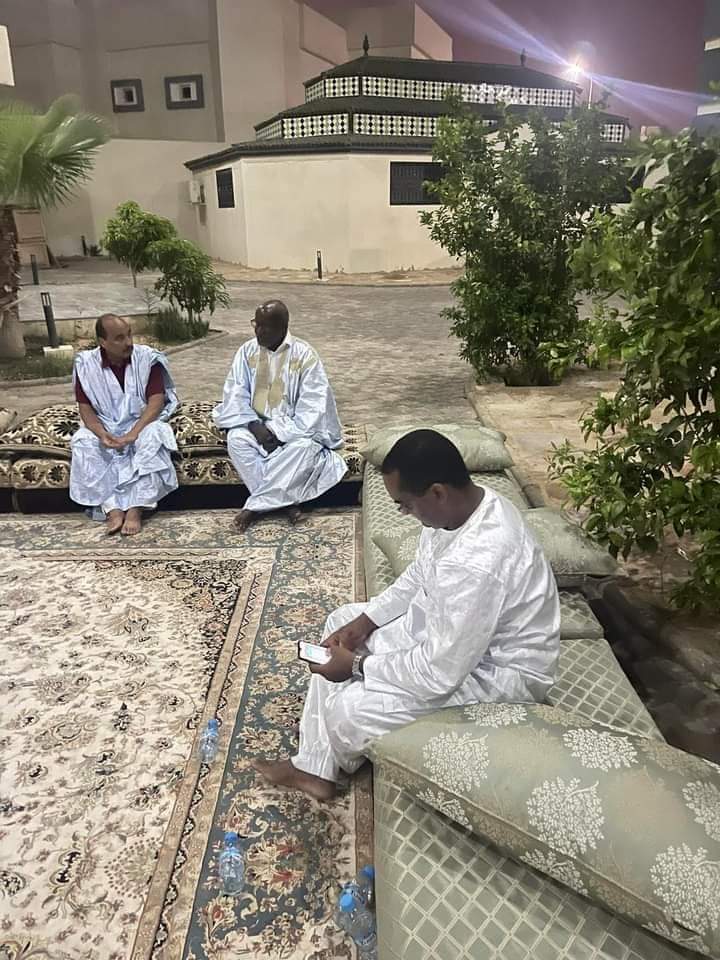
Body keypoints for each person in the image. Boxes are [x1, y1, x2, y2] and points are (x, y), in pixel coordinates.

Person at [255, 429, 561, 801]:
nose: (403, 512)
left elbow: (439, 673)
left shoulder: (478, 561)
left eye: (405, 504)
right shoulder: (465, 509)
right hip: (454, 636)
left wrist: (357, 667)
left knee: (348, 712)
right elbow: (419, 575)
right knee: (342, 621)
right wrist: (364, 623)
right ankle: (315, 767)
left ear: (437, 492)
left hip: (496, 674)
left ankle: (323, 751)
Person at [213, 299, 347, 531]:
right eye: (255, 324)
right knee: (236, 439)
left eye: (264, 327)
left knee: (305, 449)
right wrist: (254, 426)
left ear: (282, 327)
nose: (258, 331)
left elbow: (313, 409)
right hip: (254, 426)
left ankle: (253, 508)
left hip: (294, 433)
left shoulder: (305, 355)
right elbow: (235, 393)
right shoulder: (246, 351)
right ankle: (287, 504)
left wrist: (275, 432)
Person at [70, 313, 179, 536]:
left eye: (129, 335)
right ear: (103, 342)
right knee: (83, 441)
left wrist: (133, 433)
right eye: (119, 338)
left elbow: (156, 401)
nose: (128, 342)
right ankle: (113, 509)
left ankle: (136, 508)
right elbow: (86, 409)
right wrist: (102, 434)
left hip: (143, 421)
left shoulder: (147, 358)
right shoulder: (86, 364)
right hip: (105, 424)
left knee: (154, 436)